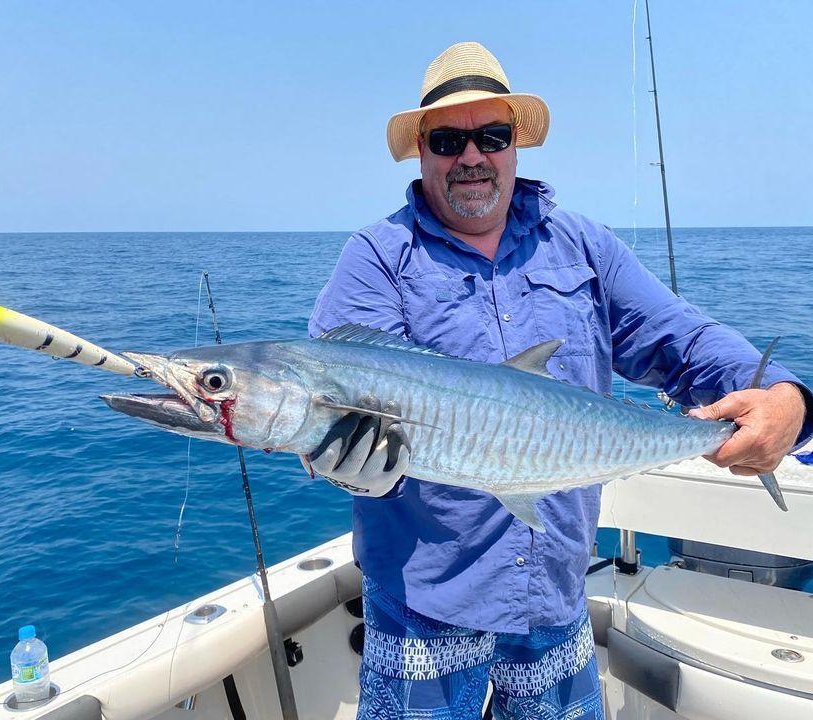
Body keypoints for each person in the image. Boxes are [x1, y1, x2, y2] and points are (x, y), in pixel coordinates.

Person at [307, 42, 812, 720]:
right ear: (421, 150)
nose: (471, 156)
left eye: (491, 135)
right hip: (425, 602)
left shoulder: (584, 247)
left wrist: (785, 396)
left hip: (556, 590)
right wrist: (351, 470)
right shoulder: (376, 260)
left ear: (515, 143)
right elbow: (345, 421)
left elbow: (682, 338)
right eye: (449, 140)